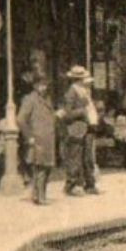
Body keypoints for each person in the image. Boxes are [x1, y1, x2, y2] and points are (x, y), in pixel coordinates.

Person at [17, 73, 57, 205]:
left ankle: (38, 195)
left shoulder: (46, 99)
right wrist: (29, 136)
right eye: (41, 85)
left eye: (45, 85)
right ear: (35, 86)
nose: (44, 87)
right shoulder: (30, 99)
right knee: (40, 167)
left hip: (47, 138)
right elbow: (21, 119)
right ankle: (40, 197)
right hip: (38, 138)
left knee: (47, 167)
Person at [59, 65, 99, 196]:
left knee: (87, 158)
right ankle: (72, 185)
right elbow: (68, 113)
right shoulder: (71, 93)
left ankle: (89, 184)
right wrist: (83, 111)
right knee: (75, 158)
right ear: (78, 80)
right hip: (76, 129)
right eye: (83, 78)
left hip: (86, 128)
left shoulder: (83, 92)